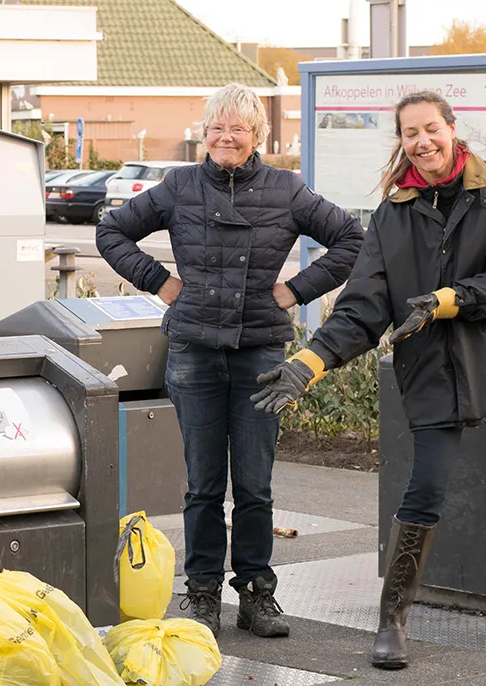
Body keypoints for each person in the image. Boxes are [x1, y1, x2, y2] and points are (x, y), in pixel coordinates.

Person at [96, 83, 364, 639]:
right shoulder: (178, 186)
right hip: (193, 349)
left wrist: (295, 291)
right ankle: (200, 596)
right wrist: (161, 283)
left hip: (261, 352)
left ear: (258, 136)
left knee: (255, 484)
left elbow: (351, 238)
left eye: (238, 127)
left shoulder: (288, 190)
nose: (226, 136)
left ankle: (257, 595)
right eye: (217, 126)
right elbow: (112, 229)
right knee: (202, 485)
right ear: (205, 133)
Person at [253, 90, 486, 670]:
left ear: (453, 128)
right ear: (401, 141)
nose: (422, 142)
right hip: (433, 372)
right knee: (426, 492)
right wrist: (307, 364)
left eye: (431, 129)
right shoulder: (393, 214)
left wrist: (451, 299)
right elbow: (362, 309)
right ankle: (394, 620)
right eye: (410, 134)